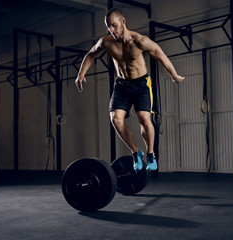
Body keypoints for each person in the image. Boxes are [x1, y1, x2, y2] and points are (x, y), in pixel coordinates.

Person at [75, 8, 184, 171]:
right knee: (116, 119)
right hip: (122, 85)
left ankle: (151, 154)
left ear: (123, 22)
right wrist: (81, 74)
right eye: (108, 27)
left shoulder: (140, 41)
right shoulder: (106, 42)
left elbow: (161, 55)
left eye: (114, 25)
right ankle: (135, 153)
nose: (111, 30)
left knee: (144, 119)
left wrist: (174, 75)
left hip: (141, 84)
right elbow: (91, 54)